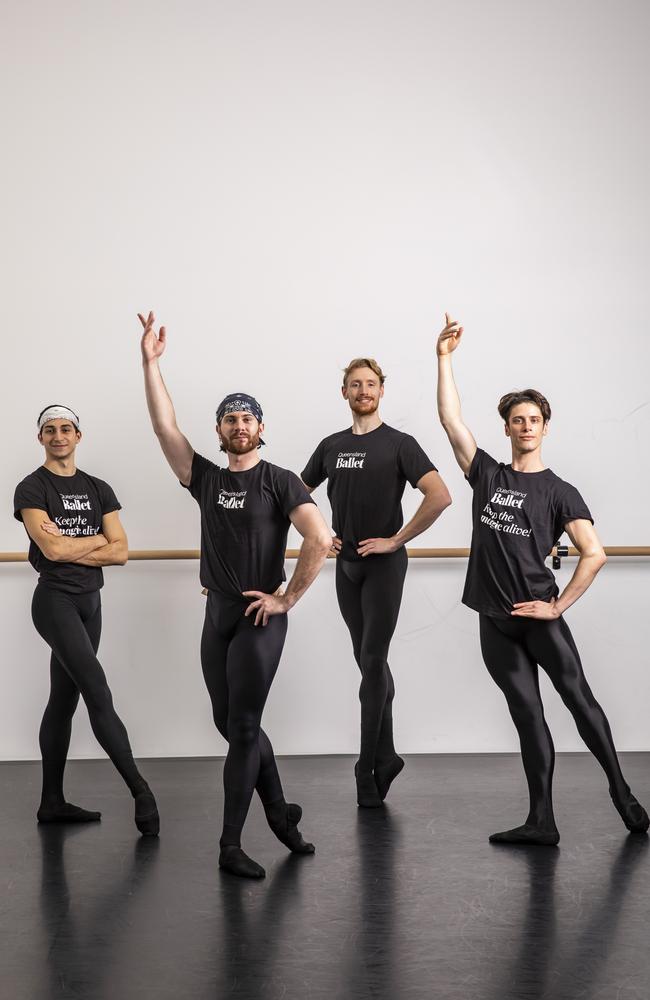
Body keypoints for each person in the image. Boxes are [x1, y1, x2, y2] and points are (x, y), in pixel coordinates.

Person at [436, 313, 649, 843]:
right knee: (528, 717)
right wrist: (443, 359)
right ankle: (542, 821)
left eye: (534, 419)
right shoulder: (488, 474)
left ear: (544, 427)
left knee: (580, 701)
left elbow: (593, 554)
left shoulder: (560, 491)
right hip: (494, 619)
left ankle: (621, 791)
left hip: (539, 617)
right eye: (517, 419)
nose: (526, 425)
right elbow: (450, 421)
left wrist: (557, 607)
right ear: (507, 427)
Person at [139, 311, 332, 879]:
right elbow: (164, 427)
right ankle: (280, 811)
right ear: (220, 431)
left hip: (257, 617)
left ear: (260, 427)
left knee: (244, 726)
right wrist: (151, 363)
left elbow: (319, 537)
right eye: (229, 419)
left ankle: (230, 844)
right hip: (216, 614)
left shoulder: (280, 479)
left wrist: (286, 599)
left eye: (247, 417)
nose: (239, 425)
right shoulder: (205, 478)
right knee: (227, 720)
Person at [301, 358, 452, 807]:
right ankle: (387, 756)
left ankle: (365, 767)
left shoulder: (400, 444)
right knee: (370, 663)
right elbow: (292, 495)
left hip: (384, 566)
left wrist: (396, 540)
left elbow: (440, 495)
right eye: (354, 385)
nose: (363, 390)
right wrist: (319, 534)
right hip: (346, 566)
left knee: (371, 659)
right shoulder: (330, 445)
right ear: (344, 393)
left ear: (382, 391)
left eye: (370, 384)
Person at [14, 405, 159, 834]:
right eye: (49, 430)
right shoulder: (31, 488)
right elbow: (54, 553)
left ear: (79, 436)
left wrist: (77, 540)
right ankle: (141, 792)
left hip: (90, 601)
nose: (58, 436)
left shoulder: (99, 488)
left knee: (65, 697)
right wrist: (97, 538)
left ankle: (52, 802)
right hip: (54, 601)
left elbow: (121, 551)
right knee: (96, 686)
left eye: (66, 429)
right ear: (40, 438)